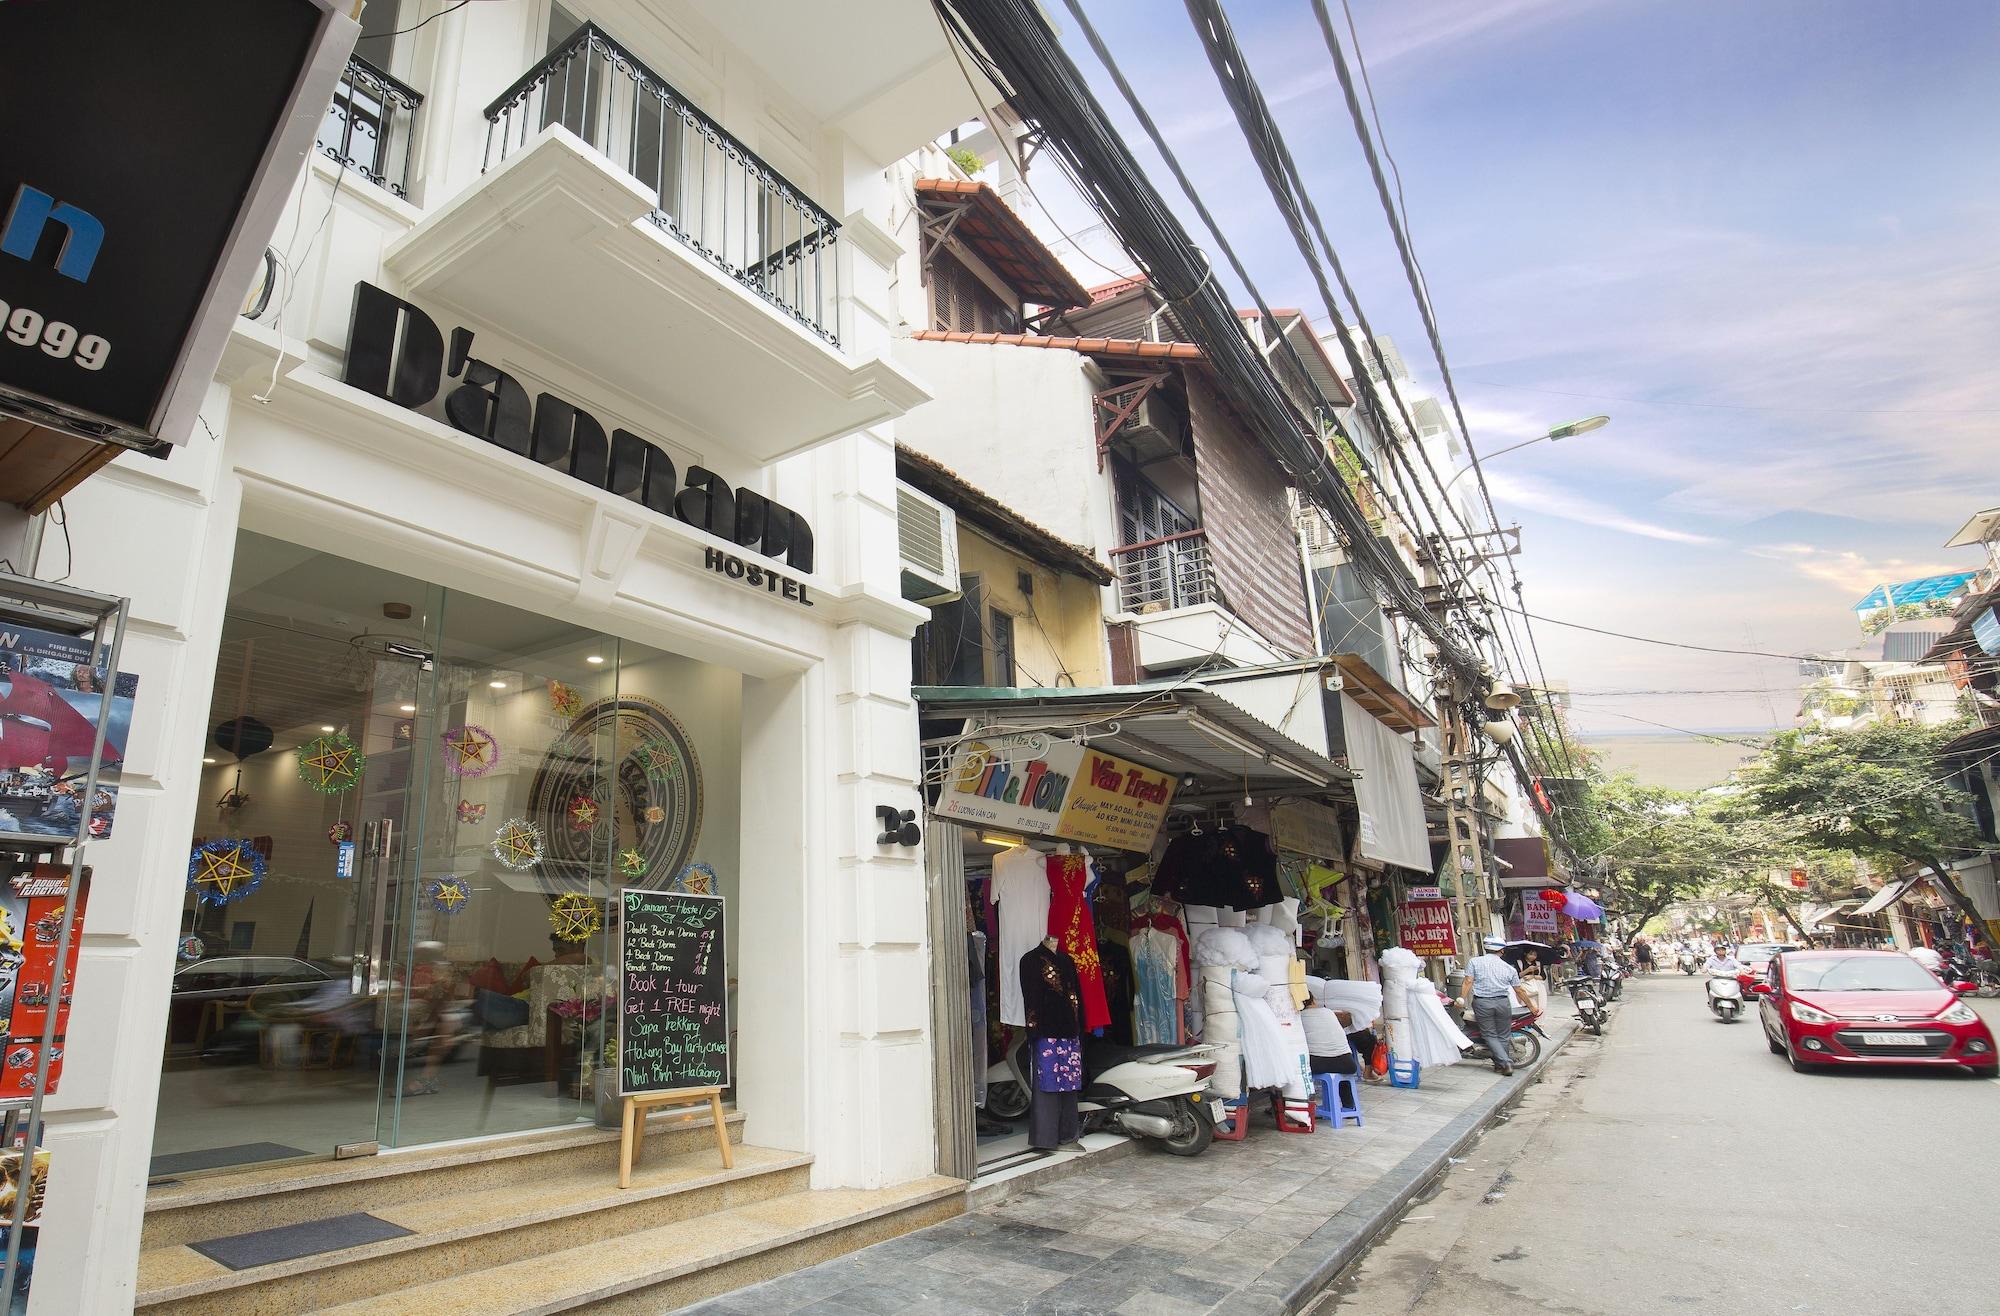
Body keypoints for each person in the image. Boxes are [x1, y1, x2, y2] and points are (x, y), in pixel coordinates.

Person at [1460, 936, 1537, 1076]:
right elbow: (1519, 990)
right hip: (1502, 1003)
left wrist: (1461, 999)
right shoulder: (1509, 968)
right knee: (1503, 1035)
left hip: (1482, 1002)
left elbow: (1468, 981)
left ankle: (1506, 1062)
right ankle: (1499, 1065)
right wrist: (1531, 1006)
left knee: (1489, 1034)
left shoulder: (1474, 962)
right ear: (1502, 950)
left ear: (1486, 948)